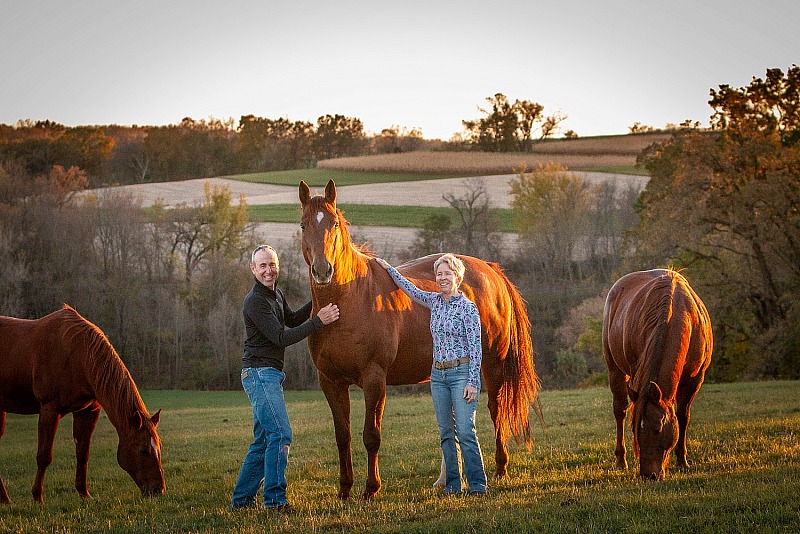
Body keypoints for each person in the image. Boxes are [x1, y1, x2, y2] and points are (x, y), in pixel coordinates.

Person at [231, 244, 339, 513]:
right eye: (263, 266)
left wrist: (317, 302)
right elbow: (281, 337)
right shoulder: (255, 301)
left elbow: (290, 319)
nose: (268, 271)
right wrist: (319, 321)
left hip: (268, 374)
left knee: (264, 439)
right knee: (280, 434)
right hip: (259, 374)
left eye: (272, 264)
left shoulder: (274, 294)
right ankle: (275, 502)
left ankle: (241, 501)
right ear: (253, 269)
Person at [374, 254, 487, 496]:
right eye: (439, 274)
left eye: (447, 273)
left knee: (466, 431)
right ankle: (454, 485)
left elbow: (476, 347)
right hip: (438, 376)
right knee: (446, 433)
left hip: (461, 373)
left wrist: (473, 382)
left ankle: (477, 484)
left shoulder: (468, 308)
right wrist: (389, 269)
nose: (443, 278)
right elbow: (410, 289)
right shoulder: (434, 301)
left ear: (457, 276)